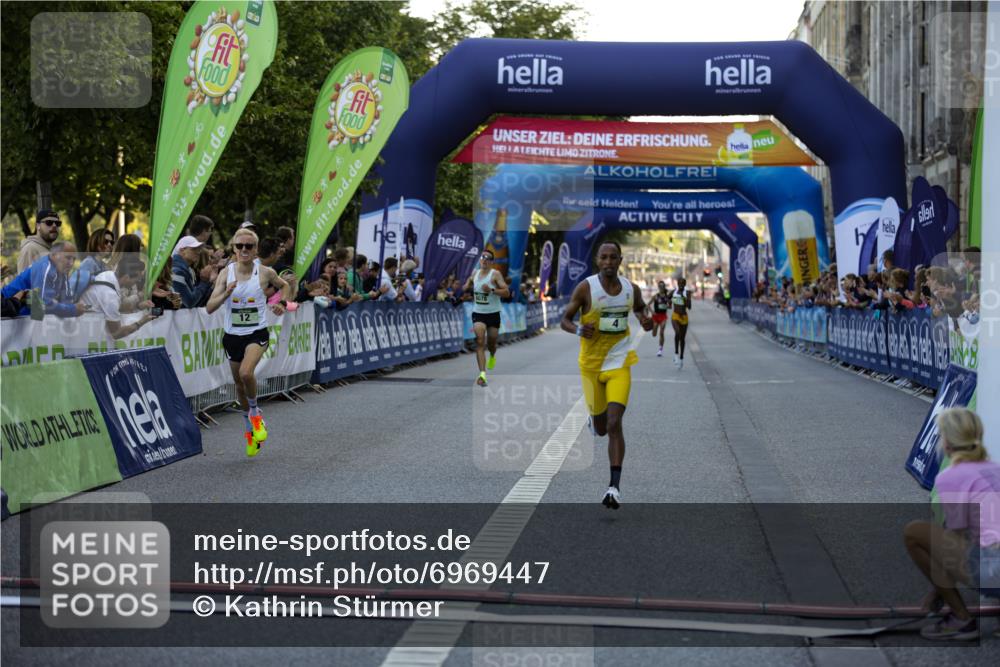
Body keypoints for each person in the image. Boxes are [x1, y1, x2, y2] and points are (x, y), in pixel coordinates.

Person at [560, 241, 653, 509]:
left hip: (619, 363)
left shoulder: (629, 288)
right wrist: (578, 329)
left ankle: (614, 487)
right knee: (600, 428)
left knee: (614, 424)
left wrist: (644, 318)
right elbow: (565, 319)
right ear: (597, 261)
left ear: (620, 260)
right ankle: (594, 419)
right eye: (604, 257)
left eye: (614, 257)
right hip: (590, 366)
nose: (609, 262)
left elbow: (639, 307)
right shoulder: (586, 288)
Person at [904, 408, 1000, 641]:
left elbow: (955, 540)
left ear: (946, 442)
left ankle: (961, 618)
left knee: (914, 532)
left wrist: (938, 592)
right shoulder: (995, 468)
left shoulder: (951, 476)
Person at [206, 229, 293, 458]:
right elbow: (209, 307)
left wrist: (282, 303)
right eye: (239, 246)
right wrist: (225, 294)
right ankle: (250, 431)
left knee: (246, 373)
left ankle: (256, 415)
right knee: (239, 386)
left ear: (255, 249)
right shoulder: (226, 273)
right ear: (234, 248)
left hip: (256, 333)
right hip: (232, 336)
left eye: (249, 246)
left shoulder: (265, 272)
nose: (243, 250)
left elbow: (285, 285)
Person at [78, 256, 160, 340]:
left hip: (85, 329)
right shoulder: (110, 296)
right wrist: (142, 321)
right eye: (136, 279)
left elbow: (115, 308)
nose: (137, 281)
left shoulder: (107, 275)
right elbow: (116, 334)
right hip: (86, 336)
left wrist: (138, 307)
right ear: (126, 277)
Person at [3, 241, 89, 318]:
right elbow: (46, 304)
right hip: (7, 313)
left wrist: (78, 307)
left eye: (74, 259)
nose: (71, 263)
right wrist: (73, 309)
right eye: (68, 258)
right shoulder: (45, 268)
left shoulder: (61, 270)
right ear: (54, 255)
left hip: (20, 317)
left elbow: (66, 300)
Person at [464, 249, 509, 386]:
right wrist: (466, 287)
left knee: (491, 343)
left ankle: (493, 355)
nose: (484, 259)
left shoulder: (495, 275)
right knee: (479, 340)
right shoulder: (474, 273)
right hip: (478, 313)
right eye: (483, 257)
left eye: (488, 258)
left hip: (493, 313)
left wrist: (492, 290)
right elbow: (467, 284)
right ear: (480, 259)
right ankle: (482, 375)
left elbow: (506, 292)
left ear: (491, 261)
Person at [172, 235, 214, 307]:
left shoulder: (187, 270)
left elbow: (197, 303)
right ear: (182, 251)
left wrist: (210, 282)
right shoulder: (177, 271)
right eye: (194, 249)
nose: (198, 252)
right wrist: (204, 282)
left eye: (198, 249)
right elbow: (189, 302)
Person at [669, 277, 692, 369]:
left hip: (684, 317)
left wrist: (684, 298)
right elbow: (667, 298)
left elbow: (689, 307)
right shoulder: (673, 292)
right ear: (677, 284)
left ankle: (681, 358)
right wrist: (669, 303)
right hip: (675, 316)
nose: (681, 285)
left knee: (682, 339)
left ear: (685, 284)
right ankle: (676, 354)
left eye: (683, 283)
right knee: (677, 333)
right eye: (680, 283)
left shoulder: (687, 293)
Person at [650, 280, 671, 357]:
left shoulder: (667, 297)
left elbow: (670, 306)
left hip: (663, 316)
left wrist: (668, 306)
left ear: (664, 287)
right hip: (656, 316)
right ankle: (654, 330)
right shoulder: (655, 296)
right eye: (660, 286)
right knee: (654, 334)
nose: (661, 287)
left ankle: (660, 350)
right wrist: (652, 312)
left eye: (662, 286)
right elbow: (648, 305)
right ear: (658, 287)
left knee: (662, 332)